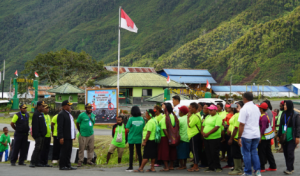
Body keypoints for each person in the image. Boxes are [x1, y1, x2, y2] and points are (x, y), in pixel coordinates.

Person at [238, 92, 261, 176]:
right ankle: (257, 171)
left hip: (246, 134)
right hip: (256, 134)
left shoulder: (244, 109)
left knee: (246, 153)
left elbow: (242, 124)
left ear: (244, 98)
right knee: (254, 152)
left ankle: (248, 172)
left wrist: (239, 137)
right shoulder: (256, 107)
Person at [277, 100, 300, 174]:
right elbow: (281, 125)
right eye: (284, 105)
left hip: (292, 135)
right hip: (284, 136)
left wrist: (297, 136)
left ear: (289, 105)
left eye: (286, 105)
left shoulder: (295, 115)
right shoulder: (283, 113)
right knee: (286, 152)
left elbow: (298, 127)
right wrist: (278, 135)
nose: (284, 106)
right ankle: (290, 167)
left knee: (290, 152)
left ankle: (289, 169)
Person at [201, 104, 222, 172]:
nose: (210, 111)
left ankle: (218, 167)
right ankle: (211, 167)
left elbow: (216, 127)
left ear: (215, 110)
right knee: (208, 152)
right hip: (206, 138)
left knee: (214, 153)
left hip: (214, 138)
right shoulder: (207, 117)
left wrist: (208, 133)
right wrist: (202, 132)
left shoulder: (217, 117)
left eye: (211, 110)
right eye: (209, 110)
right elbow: (203, 125)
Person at [57, 100, 77, 170]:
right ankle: (62, 165)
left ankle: (68, 164)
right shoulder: (61, 114)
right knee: (64, 151)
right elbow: (60, 126)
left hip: (69, 136)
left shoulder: (69, 114)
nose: (70, 107)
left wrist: (73, 135)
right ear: (64, 106)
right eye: (69, 105)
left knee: (69, 151)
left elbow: (72, 126)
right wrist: (61, 137)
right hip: (64, 136)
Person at [158, 102, 177, 172]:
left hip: (165, 137)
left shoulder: (165, 118)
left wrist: (169, 137)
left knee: (164, 152)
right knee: (172, 151)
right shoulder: (173, 116)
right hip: (173, 136)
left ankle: (166, 167)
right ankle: (171, 165)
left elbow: (164, 129)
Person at [257, 102, 277, 172]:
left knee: (261, 152)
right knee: (268, 151)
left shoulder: (263, 116)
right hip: (267, 137)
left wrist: (260, 136)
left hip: (263, 137)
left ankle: (262, 167)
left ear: (262, 109)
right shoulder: (265, 114)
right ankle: (273, 166)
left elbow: (263, 128)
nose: (259, 108)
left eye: (259, 107)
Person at [125, 106, 145, 172]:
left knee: (131, 152)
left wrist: (131, 131)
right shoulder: (142, 119)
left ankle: (131, 166)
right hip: (139, 137)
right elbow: (143, 128)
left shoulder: (131, 119)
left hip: (131, 137)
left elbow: (127, 128)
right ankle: (140, 166)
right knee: (139, 153)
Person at [228, 101, 244, 175]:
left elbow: (236, 128)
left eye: (237, 106)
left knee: (236, 153)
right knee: (235, 153)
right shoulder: (236, 114)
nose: (234, 107)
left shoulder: (238, 115)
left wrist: (231, 138)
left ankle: (238, 169)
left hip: (236, 137)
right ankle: (237, 167)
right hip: (234, 136)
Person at [30, 101, 47, 168]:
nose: (43, 108)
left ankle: (37, 162)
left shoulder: (41, 114)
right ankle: (32, 162)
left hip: (42, 135)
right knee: (37, 148)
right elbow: (35, 126)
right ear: (38, 106)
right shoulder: (36, 114)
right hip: (38, 135)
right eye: (42, 106)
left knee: (40, 149)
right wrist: (37, 135)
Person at [187, 103, 201, 172]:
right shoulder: (194, 115)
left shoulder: (195, 116)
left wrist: (188, 117)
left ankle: (196, 166)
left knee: (194, 151)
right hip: (192, 135)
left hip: (194, 135)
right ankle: (195, 165)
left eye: (190, 108)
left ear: (194, 108)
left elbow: (189, 125)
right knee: (194, 150)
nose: (189, 109)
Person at [176, 106, 190, 170]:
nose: (178, 112)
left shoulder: (180, 119)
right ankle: (184, 164)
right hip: (188, 138)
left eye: (179, 111)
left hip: (181, 138)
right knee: (186, 152)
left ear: (182, 112)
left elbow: (177, 129)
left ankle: (181, 166)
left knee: (180, 153)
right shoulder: (189, 118)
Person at [223, 105, 234, 169]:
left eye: (229, 107)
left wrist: (226, 126)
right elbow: (224, 121)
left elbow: (231, 125)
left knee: (231, 149)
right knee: (228, 149)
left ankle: (231, 164)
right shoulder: (228, 114)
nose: (227, 108)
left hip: (231, 133)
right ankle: (230, 163)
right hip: (227, 132)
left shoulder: (233, 115)